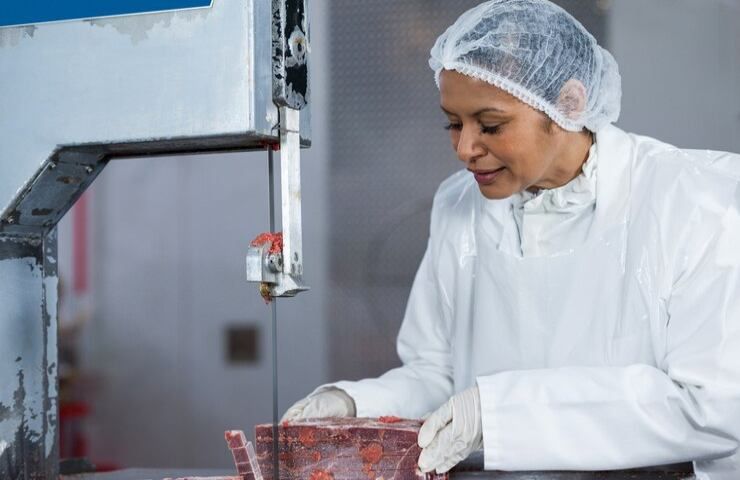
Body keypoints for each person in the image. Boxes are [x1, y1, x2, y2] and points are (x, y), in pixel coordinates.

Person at [283, 0, 740, 478]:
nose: (465, 149)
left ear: (569, 103)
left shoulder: (695, 200)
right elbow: (439, 376)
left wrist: (497, 415)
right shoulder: (458, 204)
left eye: (491, 125)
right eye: (453, 123)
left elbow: (711, 409)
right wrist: (354, 404)